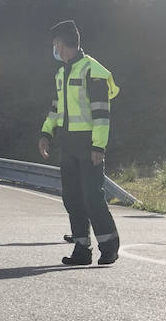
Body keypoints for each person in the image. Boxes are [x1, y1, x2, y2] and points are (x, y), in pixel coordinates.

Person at [38, 19, 122, 265]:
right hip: (68, 143)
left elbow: (102, 114)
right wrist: (46, 134)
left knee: (92, 198)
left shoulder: (92, 71)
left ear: (62, 44)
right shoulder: (62, 73)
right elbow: (56, 109)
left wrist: (98, 146)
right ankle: (82, 249)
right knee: (72, 198)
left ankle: (109, 247)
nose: (55, 49)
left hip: (88, 144)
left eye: (56, 44)